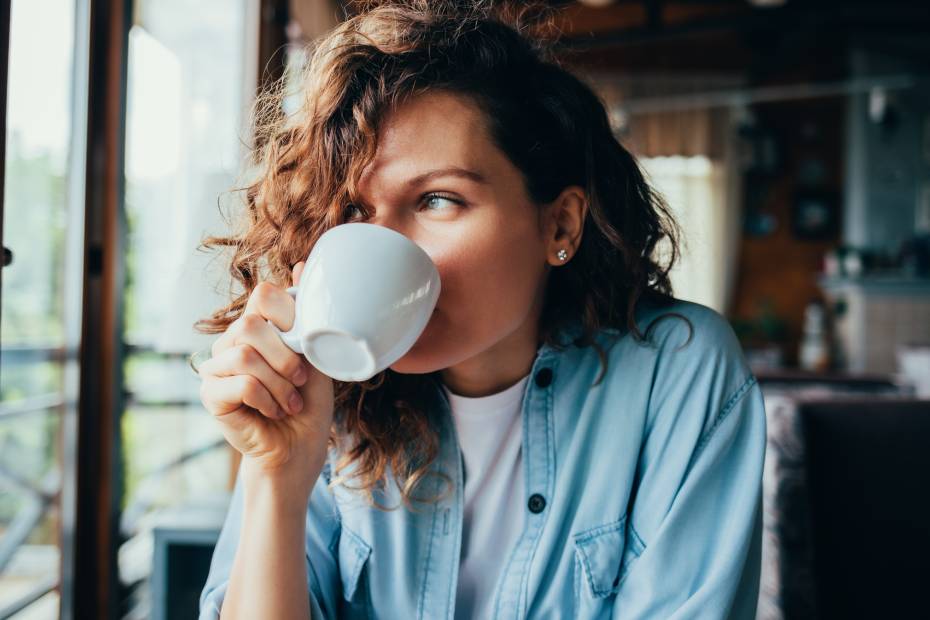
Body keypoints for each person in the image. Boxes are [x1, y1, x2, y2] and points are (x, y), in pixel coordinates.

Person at [194, 1, 767, 618]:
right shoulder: (324, 400)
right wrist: (276, 477)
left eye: (438, 199)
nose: (381, 245)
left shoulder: (677, 373)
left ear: (560, 224)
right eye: (356, 212)